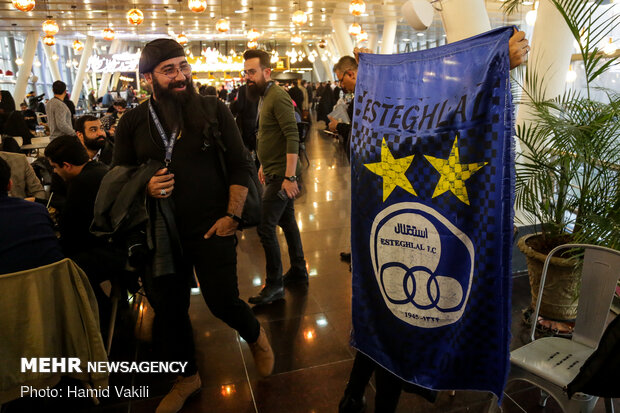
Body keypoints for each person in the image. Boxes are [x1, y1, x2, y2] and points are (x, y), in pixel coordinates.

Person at [338, 29, 532, 413]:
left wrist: (494, 65)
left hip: (413, 234)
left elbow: (443, 117)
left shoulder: (387, 120)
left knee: (390, 317)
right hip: (394, 234)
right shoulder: (370, 123)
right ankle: (360, 393)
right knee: (390, 318)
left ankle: (355, 394)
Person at [113, 38, 274, 413]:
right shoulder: (133, 122)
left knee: (222, 301)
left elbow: (240, 164)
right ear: (148, 77)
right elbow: (119, 179)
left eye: (183, 66)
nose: (181, 75)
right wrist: (145, 185)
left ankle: (256, 335)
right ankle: (187, 377)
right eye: (169, 70)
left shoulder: (212, 109)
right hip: (160, 235)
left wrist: (232, 217)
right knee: (170, 310)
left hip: (213, 226)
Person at [242, 49, 308, 306]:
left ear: (266, 72)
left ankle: (275, 285)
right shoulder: (263, 95)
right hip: (273, 171)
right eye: (246, 72)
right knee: (287, 221)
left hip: (283, 175)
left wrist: (290, 176)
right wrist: (262, 164)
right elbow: (267, 134)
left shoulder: (277, 96)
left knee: (265, 227)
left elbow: (293, 135)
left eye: (252, 72)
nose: (248, 77)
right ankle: (300, 270)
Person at [44, 135, 120, 331]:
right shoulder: (101, 170)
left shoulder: (82, 183)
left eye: (55, 167)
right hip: (120, 246)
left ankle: (96, 320)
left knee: (62, 268)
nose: (54, 171)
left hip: (112, 255)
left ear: (67, 165)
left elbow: (70, 234)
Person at [0, 156, 63, 275]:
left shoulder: (19, 160)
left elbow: (38, 191)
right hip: (52, 285)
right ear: (9, 185)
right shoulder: (39, 212)